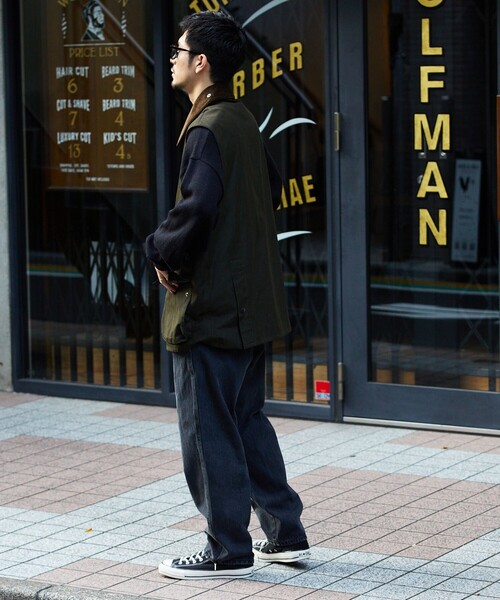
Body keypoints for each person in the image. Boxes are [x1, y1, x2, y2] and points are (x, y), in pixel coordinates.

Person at [145, 10, 309, 580]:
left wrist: (159, 251)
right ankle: (284, 533)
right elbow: (263, 192)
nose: (171, 58)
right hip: (252, 304)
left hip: (212, 308)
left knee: (208, 428)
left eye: (178, 50)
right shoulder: (240, 119)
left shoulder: (208, 127)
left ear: (201, 62)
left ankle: (226, 548)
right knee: (246, 420)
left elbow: (195, 211)